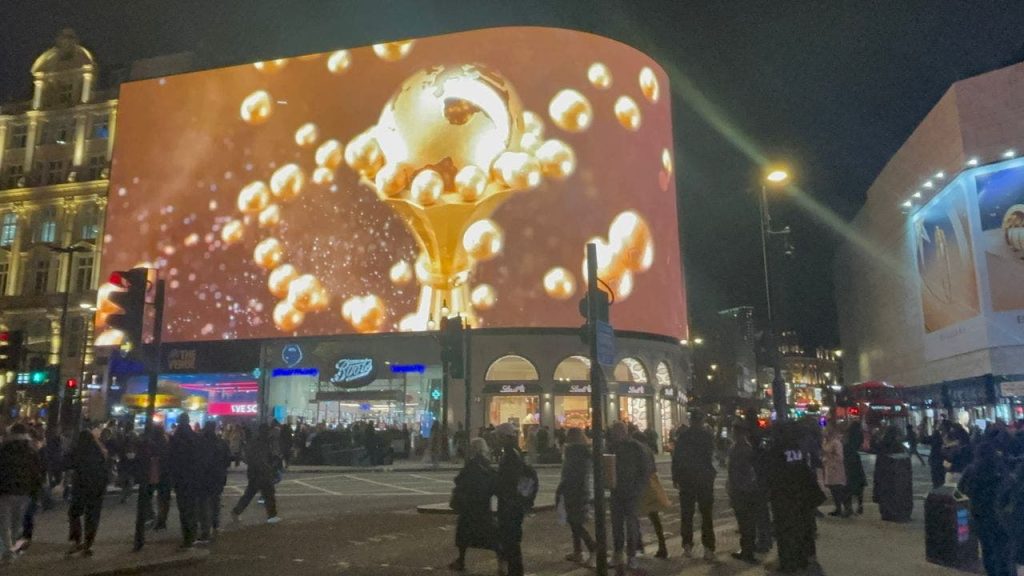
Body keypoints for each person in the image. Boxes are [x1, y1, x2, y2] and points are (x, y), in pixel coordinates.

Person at [767, 421, 826, 573]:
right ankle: (803, 559)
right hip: (801, 495)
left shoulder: (777, 449)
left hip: (784, 497)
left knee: (786, 531)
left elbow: (772, 474)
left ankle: (789, 563)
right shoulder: (797, 448)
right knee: (802, 529)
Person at [959, 442, 1012, 576]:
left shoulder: (971, 470)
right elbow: (1009, 488)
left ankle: (991, 572)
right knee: (1003, 549)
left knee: (987, 548)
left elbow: (960, 489)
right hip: (999, 514)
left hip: (979, 513)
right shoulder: (1000, 468)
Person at [448, 437, 498, 572]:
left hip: (469, 505)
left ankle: (461, 560)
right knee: (490, 535)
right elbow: (494, 482)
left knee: (464, 535)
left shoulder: (471, 464)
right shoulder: (486, 465)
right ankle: (502, 561)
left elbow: (460, 479)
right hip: (482, 505)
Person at [672, 410, 716, 560]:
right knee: (706, 514)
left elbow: (676, 458)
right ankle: (708, 548)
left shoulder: (683, 436)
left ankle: (687, 546)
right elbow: (710, 456)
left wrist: (675, 477)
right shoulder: (706, 436)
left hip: (687, 478)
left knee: (687, 514)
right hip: (703, 478)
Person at [608, 422, 652, 573]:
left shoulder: (635, 447)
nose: (615, 435)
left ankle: (631, 555)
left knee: (631, 524)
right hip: (617, 490)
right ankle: (618, 553)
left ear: (623, 432)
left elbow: (645, 469)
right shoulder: (612, 446)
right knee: (617, 524)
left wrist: (639, 487)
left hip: (631, 491)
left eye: (617, 432)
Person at [0, 424, 44, 563]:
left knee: (4, 523)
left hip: (5, 491)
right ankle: (12, 547)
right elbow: (37, 473)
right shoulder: (31, 451)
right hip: (24, 492)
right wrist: (36, 492)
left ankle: (8, 550)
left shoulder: (4, 450)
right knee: (17, 523)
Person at [66, 429, 110, 557]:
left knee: (74, 513)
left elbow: (67, 463)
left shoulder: (78, 451)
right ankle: (88, 544)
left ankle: (76, 540)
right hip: (96, 488)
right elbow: (105, 471)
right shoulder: (100, 452)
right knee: (92, 516)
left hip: (80, 487)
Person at [494, 422, 530, 576]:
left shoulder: (510, 455)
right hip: (511, 504)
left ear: (505, 437)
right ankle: (514, 570)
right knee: (511, 541)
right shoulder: (513, 453)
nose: (496, 439)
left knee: (511, 542)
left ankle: (515, 572)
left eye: (498, 436)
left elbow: (508, 481)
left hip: (510, 505)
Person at [557, 428, 595, 565]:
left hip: (574, 491)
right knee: (575, 521)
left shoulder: (574, 453)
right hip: (581, 490)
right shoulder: (584, 452)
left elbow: (569, 474)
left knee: (575, 522)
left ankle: (591, 547)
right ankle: (578, 551)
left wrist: (562, 488)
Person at [231, 424, 280, 524]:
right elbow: (272, 457)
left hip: (254, 472)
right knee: (269, 494)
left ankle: (236, 511)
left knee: (249, 494)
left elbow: (247, 457)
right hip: (264, 472)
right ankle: (272, 515)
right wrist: (272, 467)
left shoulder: (253, 442)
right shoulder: (266, 443)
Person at [726, 421, 760, 564]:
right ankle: (748, 548)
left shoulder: (738, 449)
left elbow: (734, 471)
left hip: (741, 489)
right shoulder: (748, 447)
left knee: (744, 521)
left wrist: (731, 488)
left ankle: (747, 550)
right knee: (748, 521)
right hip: (748, 488)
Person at [168, 414, 203, 548]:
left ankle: (187, 537)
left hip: (180, 478)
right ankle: (192, 534)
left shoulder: (175, 438)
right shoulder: (195, 437)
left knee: (184, 508)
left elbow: (171, 459)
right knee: (192, 507)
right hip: (193, 477)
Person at [634, 429, 669, 560]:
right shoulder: (648, 450)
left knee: (633, 515)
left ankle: (638, 545)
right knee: (654, 517)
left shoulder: (637, 450)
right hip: (650, 483)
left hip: (640, 485)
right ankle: (662, 545)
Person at [198, 422, 231, 543]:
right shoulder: (221, 443)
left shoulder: (200, 443)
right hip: (218, 476)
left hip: (204, 476)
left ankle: (205, 530)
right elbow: (228, 459)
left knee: (203, 503)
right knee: (215, 500)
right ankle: (215, 524)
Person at [821, 423, 849, 517]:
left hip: (836, 468)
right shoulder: (826, 442)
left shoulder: (836, 442)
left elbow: (840, 457)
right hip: (828, 467)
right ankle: (838, 508)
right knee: (833, 490)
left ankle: (846, 509)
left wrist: (830, 457)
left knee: (839, 489)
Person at [844, 421, 867, 514]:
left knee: (848, 484)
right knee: (859, 485)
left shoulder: (847, 437)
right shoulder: (859, 435)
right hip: (856, 460)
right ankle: (860, 505)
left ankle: (849, 507)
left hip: (848, 460)